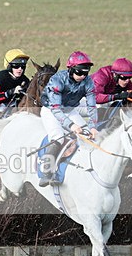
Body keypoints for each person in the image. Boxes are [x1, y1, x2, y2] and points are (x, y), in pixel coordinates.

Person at [37, 51, 99, 187]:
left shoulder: (88, 82)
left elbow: (91, 106)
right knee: (58, 137)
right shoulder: (57, 80)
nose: (82, 76)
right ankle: (46, 172)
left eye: (85, 73)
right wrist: (71, 126)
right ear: (71, 69)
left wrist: (93, 126)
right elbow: (55, 109)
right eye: (79, 72)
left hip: (69, 109)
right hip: (51, 110)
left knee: (88, 134)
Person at [0, 49, 31, 120]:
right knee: (1, 108)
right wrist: (11, 92)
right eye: (16, 66)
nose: (20, 69)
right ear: (9, 66)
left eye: (22, 66)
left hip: (8, 101)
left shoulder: (24, 80)